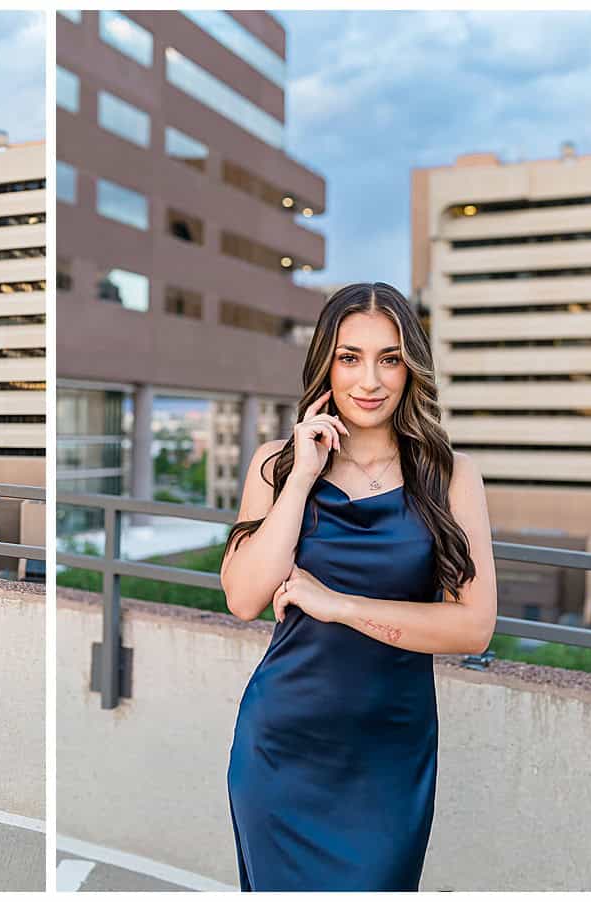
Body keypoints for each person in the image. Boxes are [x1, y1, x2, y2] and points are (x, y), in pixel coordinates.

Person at [221, 282, 498, 889]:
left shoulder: (450, 476)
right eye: (350, 357)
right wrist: (300, 480)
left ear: (410, 368)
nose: (369, 380)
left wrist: (337, 604)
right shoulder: (276, 465)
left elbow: (473, 627)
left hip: (389, 760)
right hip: (282, 749)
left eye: (389, 358)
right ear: (326, 362)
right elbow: (244, 597)